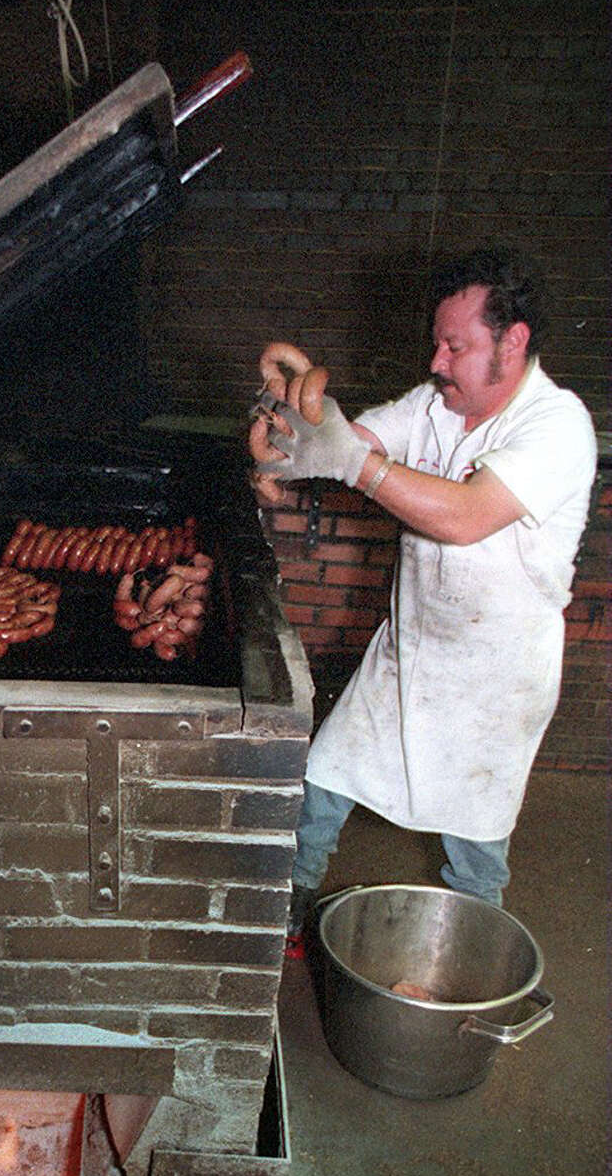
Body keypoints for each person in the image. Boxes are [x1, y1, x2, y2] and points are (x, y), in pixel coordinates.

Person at [251, 246, 598, 946]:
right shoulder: (433, 406)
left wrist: (354, 463)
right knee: (325, 776)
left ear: (515, 341)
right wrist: (295, 431)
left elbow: (465, 516)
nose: (437, 361)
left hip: (495, 678)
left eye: (457, 345)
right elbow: (354, 440)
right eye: (437, 342)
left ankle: (471, 957)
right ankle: (284, 905)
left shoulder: (557, 426)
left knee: (475, 840)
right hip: (410, 651)